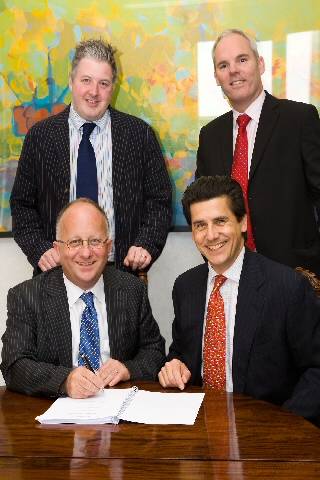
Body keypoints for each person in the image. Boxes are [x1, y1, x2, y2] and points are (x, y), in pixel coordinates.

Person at [159, 176, 320, 424]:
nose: (211, 235)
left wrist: (286, 425)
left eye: (220, 221)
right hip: (200, 427)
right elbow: (180, 351)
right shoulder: (185, 286)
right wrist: (174, 365)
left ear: (243, 222)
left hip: (266, 429)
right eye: (200, 225)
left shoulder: (287, 287)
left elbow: (315, 369)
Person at [10, 38, 172, 275]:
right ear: (72, 81)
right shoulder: (40, 136)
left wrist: (145, 244)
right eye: (86, 80)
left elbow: (159, 201)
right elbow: (22, 204)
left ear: (113, 87)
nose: (94, 92)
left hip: (121, 273)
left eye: (103, 83)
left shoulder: (140, 135)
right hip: (56, 274)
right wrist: (39, 249)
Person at [1, 198, 165, 398]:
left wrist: (128, 368)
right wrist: (64, 380)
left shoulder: (132, 290)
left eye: (95, 241)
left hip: (118, 413)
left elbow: (154, 351)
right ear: (58, 249)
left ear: (108, 246)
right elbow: (14, 365)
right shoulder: (26, 296)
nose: (86, 253)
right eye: (75, 242)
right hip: (52, 418)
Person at [196, 28, 320, 275]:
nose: (233, 70)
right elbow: (202, 205)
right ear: (216, 76)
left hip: (295, 273)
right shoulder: (209, 135)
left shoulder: (299, 119)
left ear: (260, 64)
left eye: (242, 60)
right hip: (231, 272)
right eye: (223, 65)